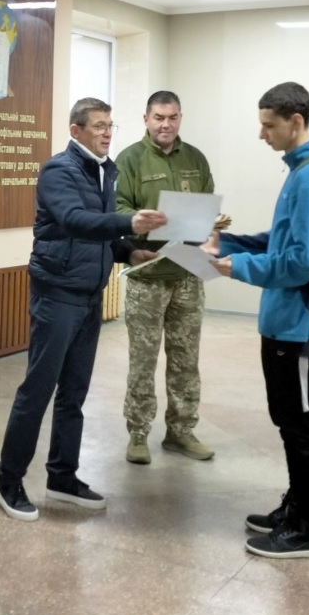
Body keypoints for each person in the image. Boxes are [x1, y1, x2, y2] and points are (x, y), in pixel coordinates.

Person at [0, 97, 166, 521]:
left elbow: (97, 235)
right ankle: (8, 480)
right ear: (76, 131)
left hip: (89, 296)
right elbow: (73, 220)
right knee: (37, 391)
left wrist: (128, 252)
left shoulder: (104, 170)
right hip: (57, 295)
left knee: (74, 393)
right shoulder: (59, 170)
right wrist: (130, 223)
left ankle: (62, 476)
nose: (107, 133)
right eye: (99, 126)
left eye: (110, 125)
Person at [204, 82, 309, 559]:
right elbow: (281, 242)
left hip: (299, 328)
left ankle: (306, 530)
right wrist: (227, 244)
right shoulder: (300, 171)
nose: (262, 134)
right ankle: (294, 507)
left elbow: (307, 259)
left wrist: (237, 267)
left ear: (295, 121)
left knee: (301, 425)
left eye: (269, 125)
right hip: (283, 322)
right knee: (287, 418)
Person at [116, 90, 223, 465]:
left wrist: (211, 230)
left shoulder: (195, 158)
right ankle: (138, 433)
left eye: (173, 117)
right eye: (159, 117)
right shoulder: (129, 159)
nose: (166, 124)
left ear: (180, 118)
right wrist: (141, 220)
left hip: (188, 273)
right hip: (148, 274)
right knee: (142, 361)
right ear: (146, 119)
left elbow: (207, 207)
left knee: (186, 359)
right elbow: (118, 208)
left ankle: (181, 431)